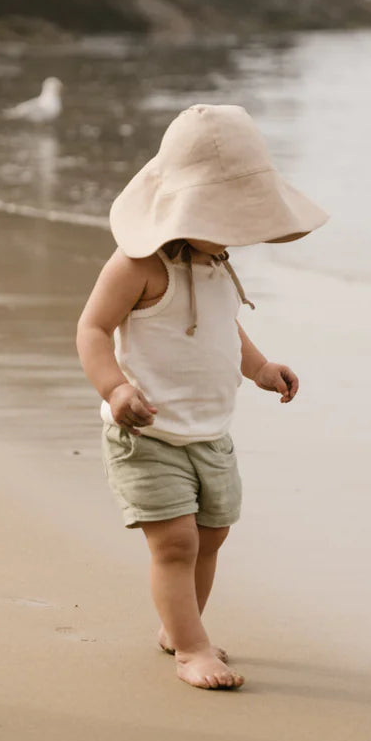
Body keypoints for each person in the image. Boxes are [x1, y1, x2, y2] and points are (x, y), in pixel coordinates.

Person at [76, 104, 328, 690]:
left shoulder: (217, 263)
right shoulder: (137, 264)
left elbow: (222, 328)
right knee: (176, 543)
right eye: (223, 216)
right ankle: (191, 648)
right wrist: (114, 389)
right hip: (148, 434)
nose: (235, 232)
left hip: (211, 433)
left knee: (212, 534)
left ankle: (178, 625)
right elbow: (91, 329)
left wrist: (261, 367)